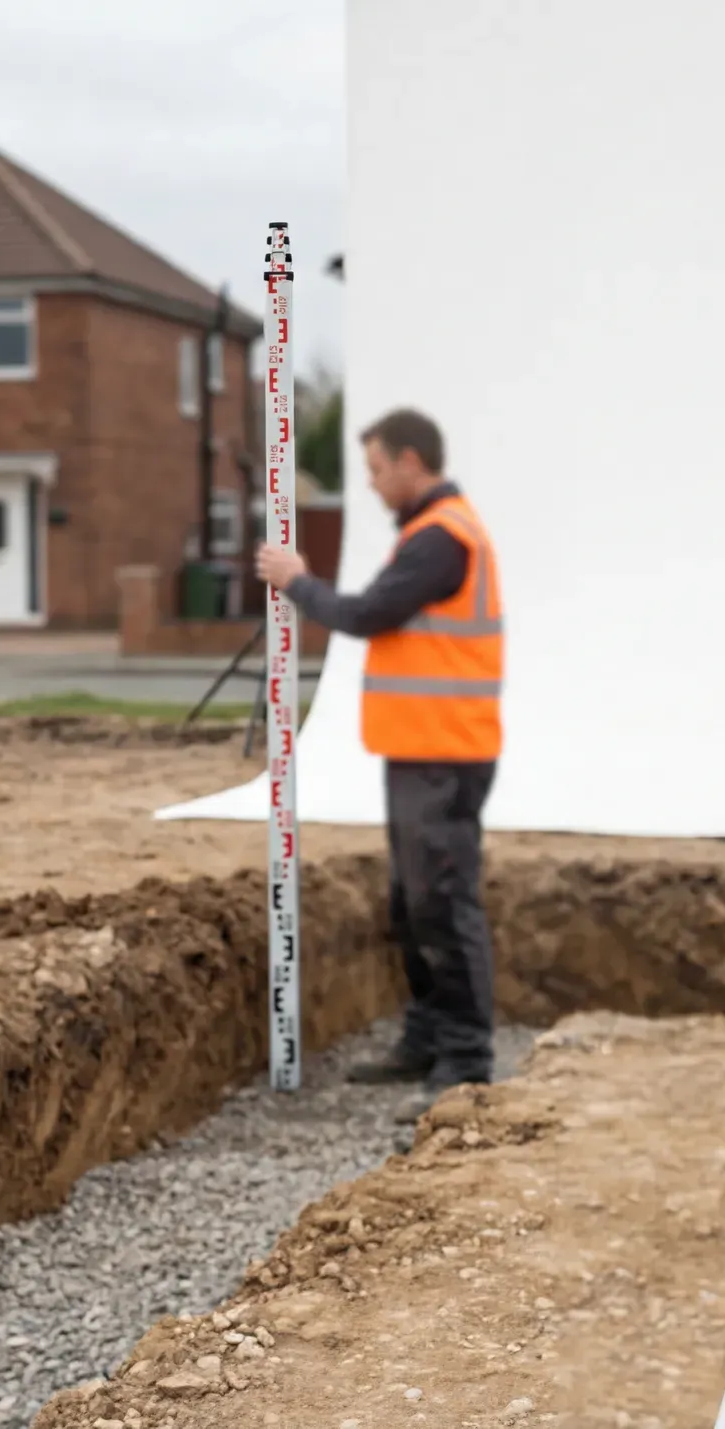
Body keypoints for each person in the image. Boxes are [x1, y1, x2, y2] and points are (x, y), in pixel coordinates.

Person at [254, 408, 504, 1090]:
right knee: (411, 902)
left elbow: (365, 614)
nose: (369, 483)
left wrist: (296, 580)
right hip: (421, 751)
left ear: (411, 462)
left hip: (445, 756)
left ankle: (465, 1060)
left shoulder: (441, 539)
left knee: (442, 904)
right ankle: (427, 1036)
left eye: (374, 468)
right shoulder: (431, 533)